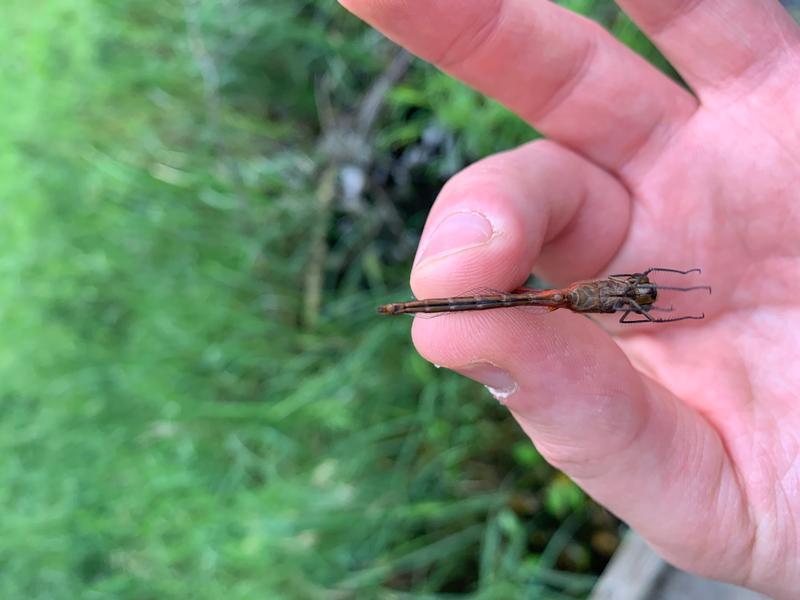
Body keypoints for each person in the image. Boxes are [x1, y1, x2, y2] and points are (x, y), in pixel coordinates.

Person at [339, 0, 800, 597]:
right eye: (640, 297)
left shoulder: (627, 292)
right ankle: (408, 305)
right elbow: (652, 288)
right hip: (562, 297)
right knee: (477, 303)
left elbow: (655, 287)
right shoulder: (611, 294)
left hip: (572, 296)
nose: (642, 295)